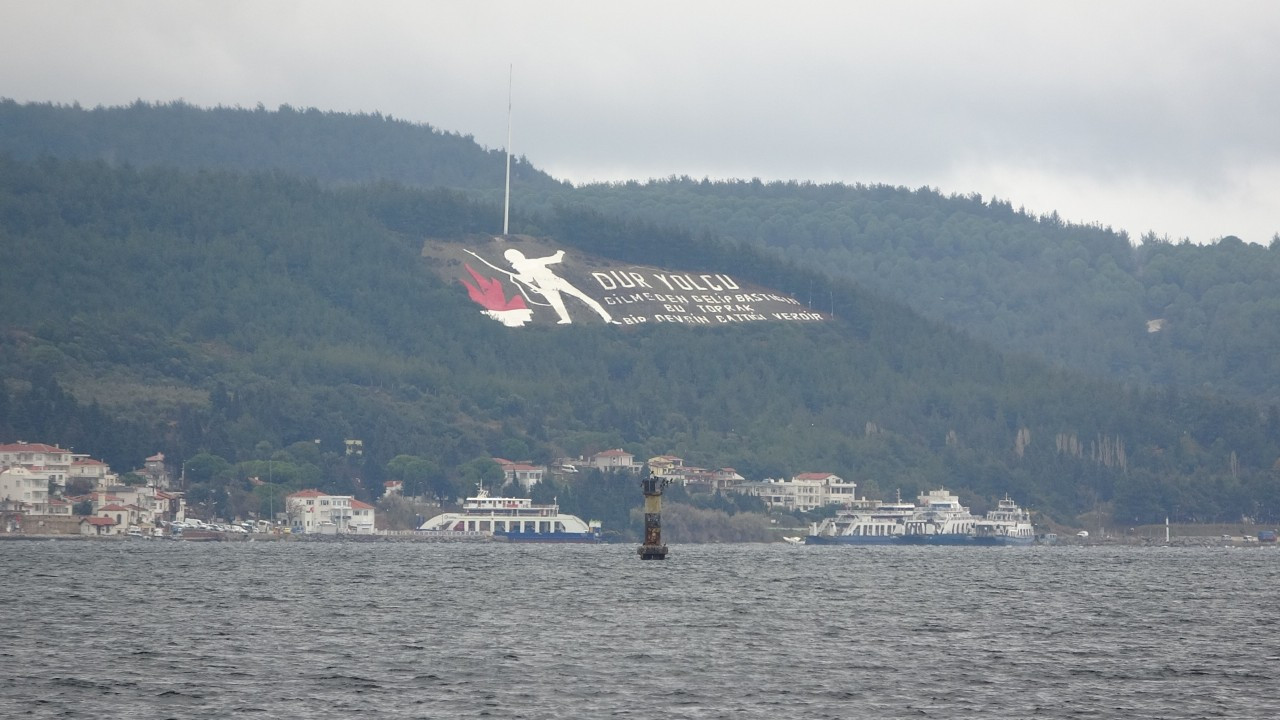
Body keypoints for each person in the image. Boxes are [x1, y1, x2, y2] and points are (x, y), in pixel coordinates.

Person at [503, 248, 615, 324]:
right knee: (573, 299)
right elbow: (554, 260)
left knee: (566, 301)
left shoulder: (524, 265)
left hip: (549, 283)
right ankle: (606, 317)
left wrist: (559, 253)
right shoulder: (525, 264)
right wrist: (559, 253)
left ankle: (605, 317)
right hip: (548, 283)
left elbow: (529, 278)